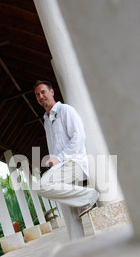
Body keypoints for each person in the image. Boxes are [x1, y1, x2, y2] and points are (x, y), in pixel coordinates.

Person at [33, 80, 99, 217]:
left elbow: (79, 137)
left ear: (52, 92)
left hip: (73, 163)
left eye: (43, 92)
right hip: (60, 167)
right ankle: (77, 237)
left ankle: (89, 195)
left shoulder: (65, 110)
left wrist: (59, 158)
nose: (40, 96)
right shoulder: (46, 120)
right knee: (70, 216)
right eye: (37, 94)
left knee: (41, 185)